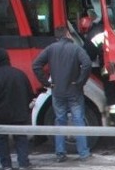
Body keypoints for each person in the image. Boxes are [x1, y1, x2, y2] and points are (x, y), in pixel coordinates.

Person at [31, 26, 93, 162]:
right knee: (78, 120)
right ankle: (83, 152)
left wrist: (46, 83)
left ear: (57, 37)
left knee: (60, 121)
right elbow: (87, 64)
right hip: (74, 91)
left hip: (57, 91)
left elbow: (36, 65)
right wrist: (80, 82)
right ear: (68, 34)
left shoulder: (50, 49)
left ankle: (60, 153)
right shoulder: (76, 49)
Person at [0, 48, 34, 170]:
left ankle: (6, 165)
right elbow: (29, 94)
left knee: (1, 139)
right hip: (19, 113)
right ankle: (23, 163)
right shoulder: (20, 74)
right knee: (21, 138)